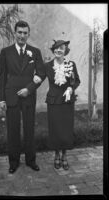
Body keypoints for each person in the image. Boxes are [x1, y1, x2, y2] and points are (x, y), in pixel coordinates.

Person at [0, 20, 45, 174]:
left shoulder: (35, 52)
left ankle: (31, 161)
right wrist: (2, 99)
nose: (22, 36)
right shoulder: (5, 52)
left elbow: (41, 73)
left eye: (25, 33)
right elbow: (2, 76)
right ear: (15, 33)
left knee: (29, 129)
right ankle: (13, 162)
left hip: (28, 96)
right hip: (11, 95)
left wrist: (29, 89)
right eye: (19, 32)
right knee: (12, 130)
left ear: (28, 34)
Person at [34, 40, 80, 170]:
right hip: (53, 100)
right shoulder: (47, 66)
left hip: (67, 100)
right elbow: (39, 77)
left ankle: (64, 155)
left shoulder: (71, 64)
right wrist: (32, 82)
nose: (58, 50)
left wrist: (71, 88)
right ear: (53, 50)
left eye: (62, 48)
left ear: (65, 50)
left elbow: (76, 80)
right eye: (56, 48)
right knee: (55, 128)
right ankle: (56, 154)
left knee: (66, 128)